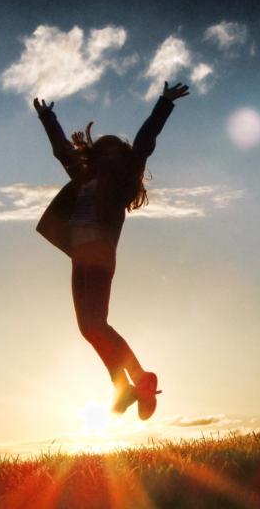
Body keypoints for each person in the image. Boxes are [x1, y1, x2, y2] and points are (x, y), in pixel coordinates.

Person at [33, 82, 190, 420]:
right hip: (80, 253)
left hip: (100, 251)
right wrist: (48, 118)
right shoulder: (83, 174)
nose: (107, 151)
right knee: (89, 327)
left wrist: (164, 102)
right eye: (103, 148)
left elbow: (145, 142)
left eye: (113, 148)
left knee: (97, 323)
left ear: (119, 154)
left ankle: (134, 381)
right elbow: (63, 151)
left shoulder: (123, 177)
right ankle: (131, 386)